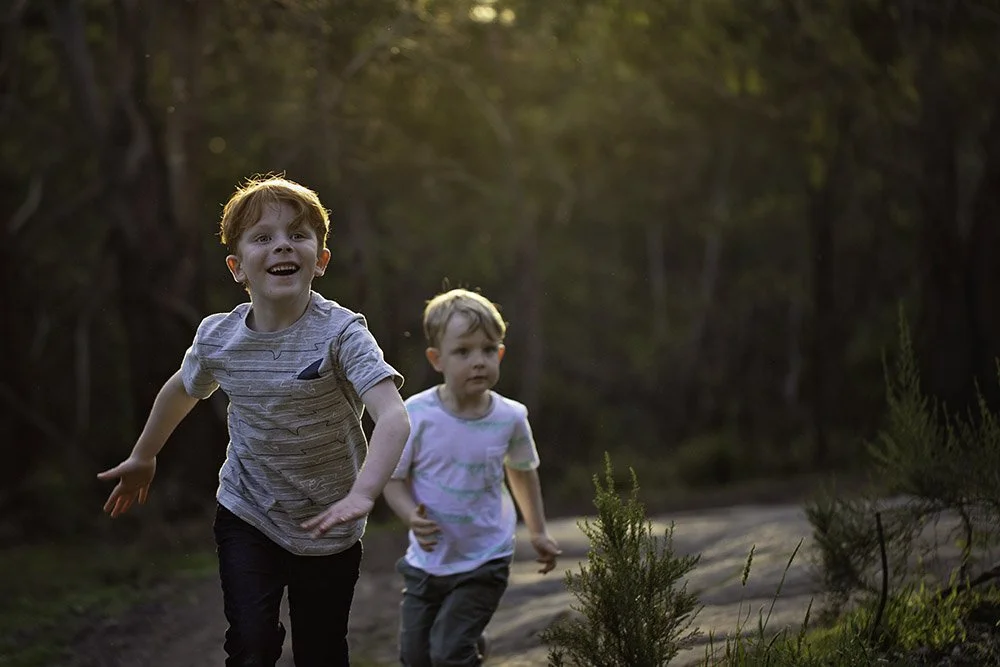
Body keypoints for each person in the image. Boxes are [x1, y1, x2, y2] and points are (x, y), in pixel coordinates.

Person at [97, 175, 410, 667]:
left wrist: (363, 494)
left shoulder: (343, 334)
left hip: (331, 522)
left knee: (322, 652)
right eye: (262, 238)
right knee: (252, 645)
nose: (282, 244)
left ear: (320, 260)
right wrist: (144, 455)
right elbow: (182, 389)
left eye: (297, 235)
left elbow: (393, 418)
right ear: (237, 267)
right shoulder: (218, 338)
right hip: (248, 512)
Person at [383, 288, 561, 667]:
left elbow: (523, 473)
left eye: (487, 349)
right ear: (437, 359)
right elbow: (392, 479)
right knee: (415, 658)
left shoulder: (510, 417)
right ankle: (469, 640)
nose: (477, 361)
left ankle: (463, 645)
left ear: (500, 354)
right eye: (463, 352)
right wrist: (408, 515)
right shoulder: (416, 414)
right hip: (427, 563)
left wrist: (538, 531)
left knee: (449, 654)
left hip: (486, 557)